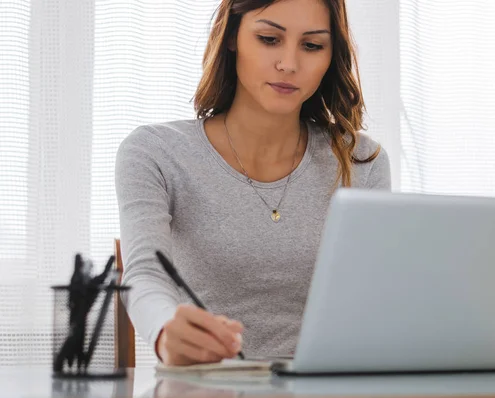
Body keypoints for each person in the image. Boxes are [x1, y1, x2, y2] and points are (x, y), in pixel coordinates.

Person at [115, 0, 391, 366]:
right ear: (232, 37)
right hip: (207, 387)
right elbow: (144, 272)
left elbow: (376, 298)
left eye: (312, 45)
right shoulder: (156, 152)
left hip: (327, 386)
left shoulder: (362, 162)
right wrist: (165, 331)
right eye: (268, 38)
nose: (289, 64)